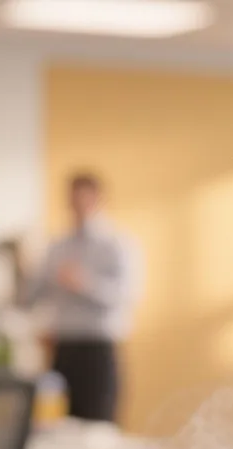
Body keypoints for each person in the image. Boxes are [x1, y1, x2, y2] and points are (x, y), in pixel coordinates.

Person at [22, 172, 140, 423]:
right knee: (57, 428)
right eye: (72, 199)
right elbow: (32, 299)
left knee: (99, 430)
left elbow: (127, 296)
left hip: (98, 350)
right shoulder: (56, 247)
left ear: (98, 199)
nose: (77, 206)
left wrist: (84, 282)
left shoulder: (117, 245)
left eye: (83, 199)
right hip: (63, 350)